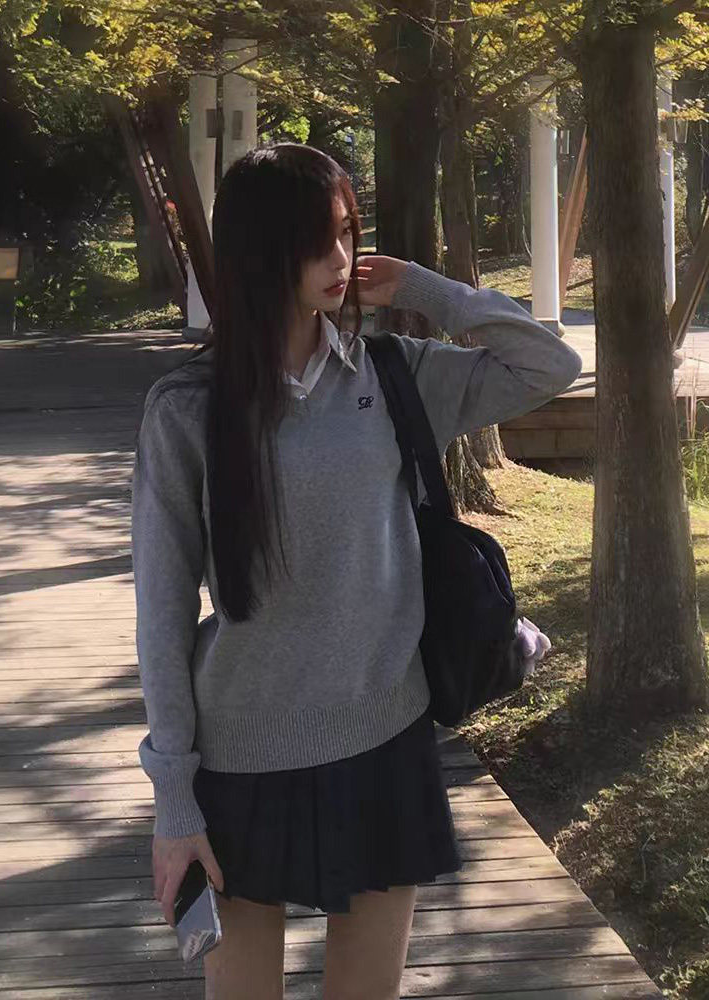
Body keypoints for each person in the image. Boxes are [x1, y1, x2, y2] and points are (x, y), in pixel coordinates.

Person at [131, 142, 582, 1000]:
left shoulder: (392, 374)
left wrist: (428, 290)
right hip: (239, 757)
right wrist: (174, 799)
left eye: (347, 233)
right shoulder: (187, 409)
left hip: (384, 738)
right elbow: (161, 613)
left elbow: (549, 365)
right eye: (316, 241)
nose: (340, 259)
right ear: (261, 251)